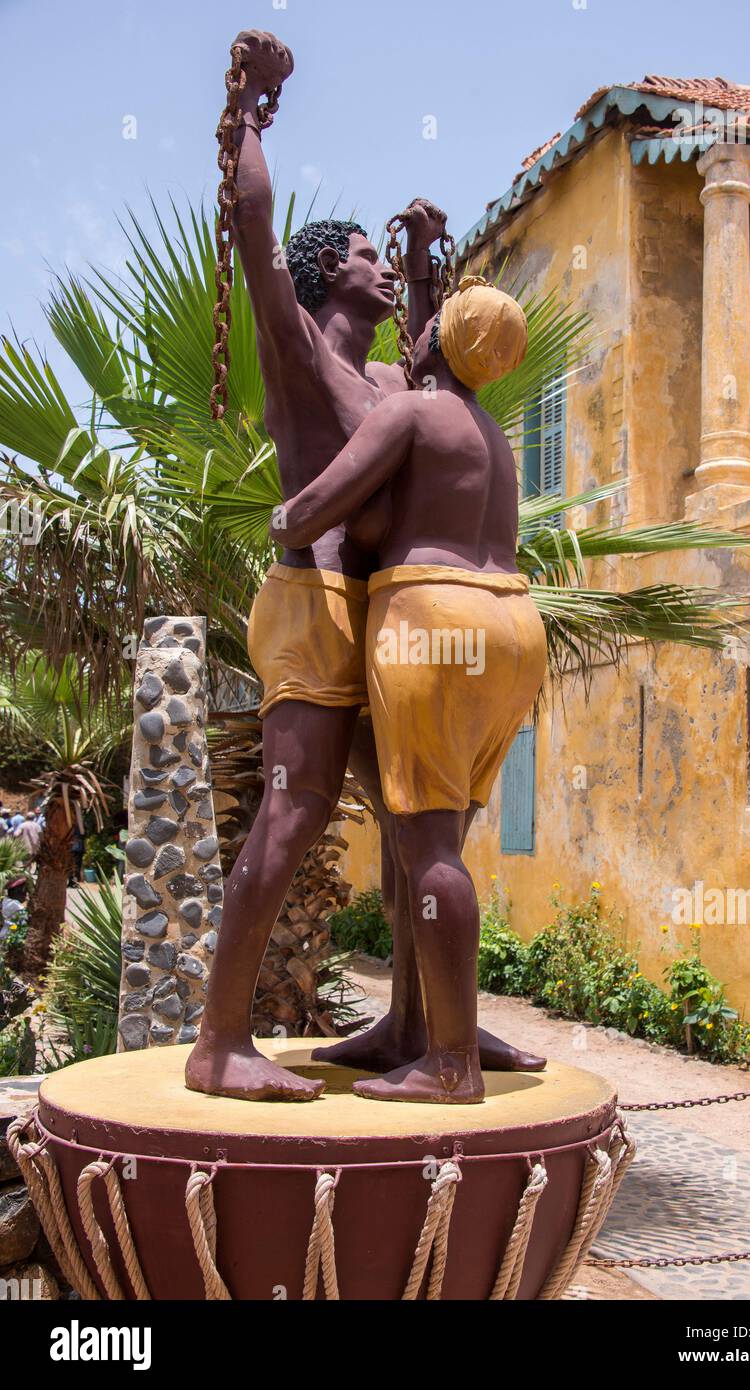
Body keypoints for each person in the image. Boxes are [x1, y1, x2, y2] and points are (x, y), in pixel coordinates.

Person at [186, 31, 540, 1101]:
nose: (387, 271)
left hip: (392, 618)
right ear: (328, 272)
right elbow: (251, 224)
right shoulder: (300, 353)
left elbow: (441, 363)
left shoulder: (398, 383)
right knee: (291, 812)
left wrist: (430, 263)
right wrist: (249, 111)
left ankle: (414, 1030)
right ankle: (220, 1041)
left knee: (408, 832)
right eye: (372, 258)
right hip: (313, 605)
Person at [279, 277, 548, 1103]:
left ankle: (450, 1060)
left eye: (429, 321)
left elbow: (323, 501)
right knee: (443, 839)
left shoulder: (411, 411)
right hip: (514, 624)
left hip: (431, 613)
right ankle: (418, 1028)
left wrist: (283, 525)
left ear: (439, 342)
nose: (416, 327)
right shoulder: (491, 434)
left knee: (425, 848)